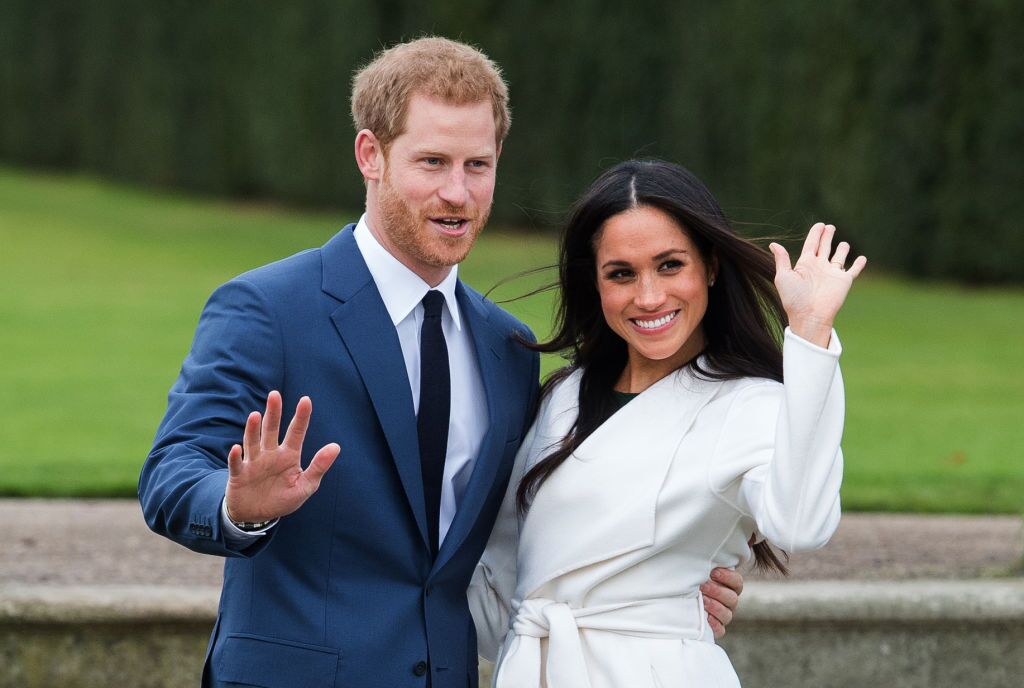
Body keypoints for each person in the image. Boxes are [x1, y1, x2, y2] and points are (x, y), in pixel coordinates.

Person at [137, 41, 742, 688]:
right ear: (370, 155)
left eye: (476, 165)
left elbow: (528, 533)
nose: (457, 192)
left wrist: (657, 586)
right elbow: (171, 474)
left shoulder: (507, 348)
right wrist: (239, 506)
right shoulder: (267, 309)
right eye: (432, 162)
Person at [470, 159, 866, 687]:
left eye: (670, 265)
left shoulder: (750, 405)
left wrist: (811, 337)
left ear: (710, 266)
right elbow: (498, 583)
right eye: (622, 274)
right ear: (596, 283)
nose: (650, 296)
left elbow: (800, 525)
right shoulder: (561, 398)